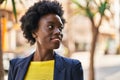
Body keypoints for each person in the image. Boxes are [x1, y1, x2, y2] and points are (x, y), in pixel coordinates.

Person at [8, 0, 83, 80]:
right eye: (50, 27)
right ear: (34, 32)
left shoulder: (72, 68)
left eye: (60, 28)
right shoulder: (16, 66)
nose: (58, 32)